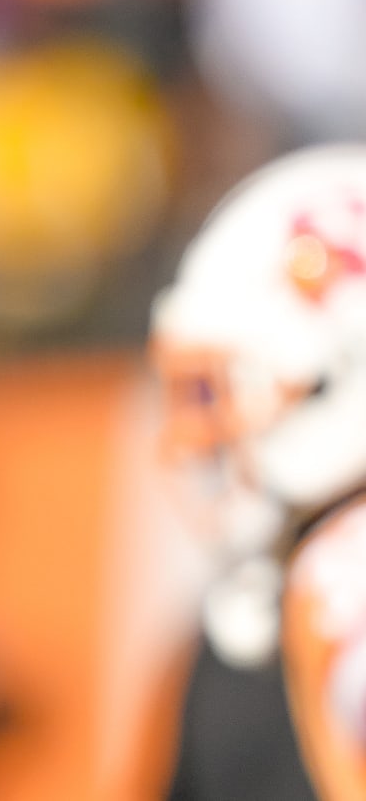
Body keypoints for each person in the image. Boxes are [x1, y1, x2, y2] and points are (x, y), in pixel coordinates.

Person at [153, 146, 366, 801]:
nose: (191, 439)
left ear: (337, 371)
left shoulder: (338, 589)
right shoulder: (230, 659)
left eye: (211, 394)